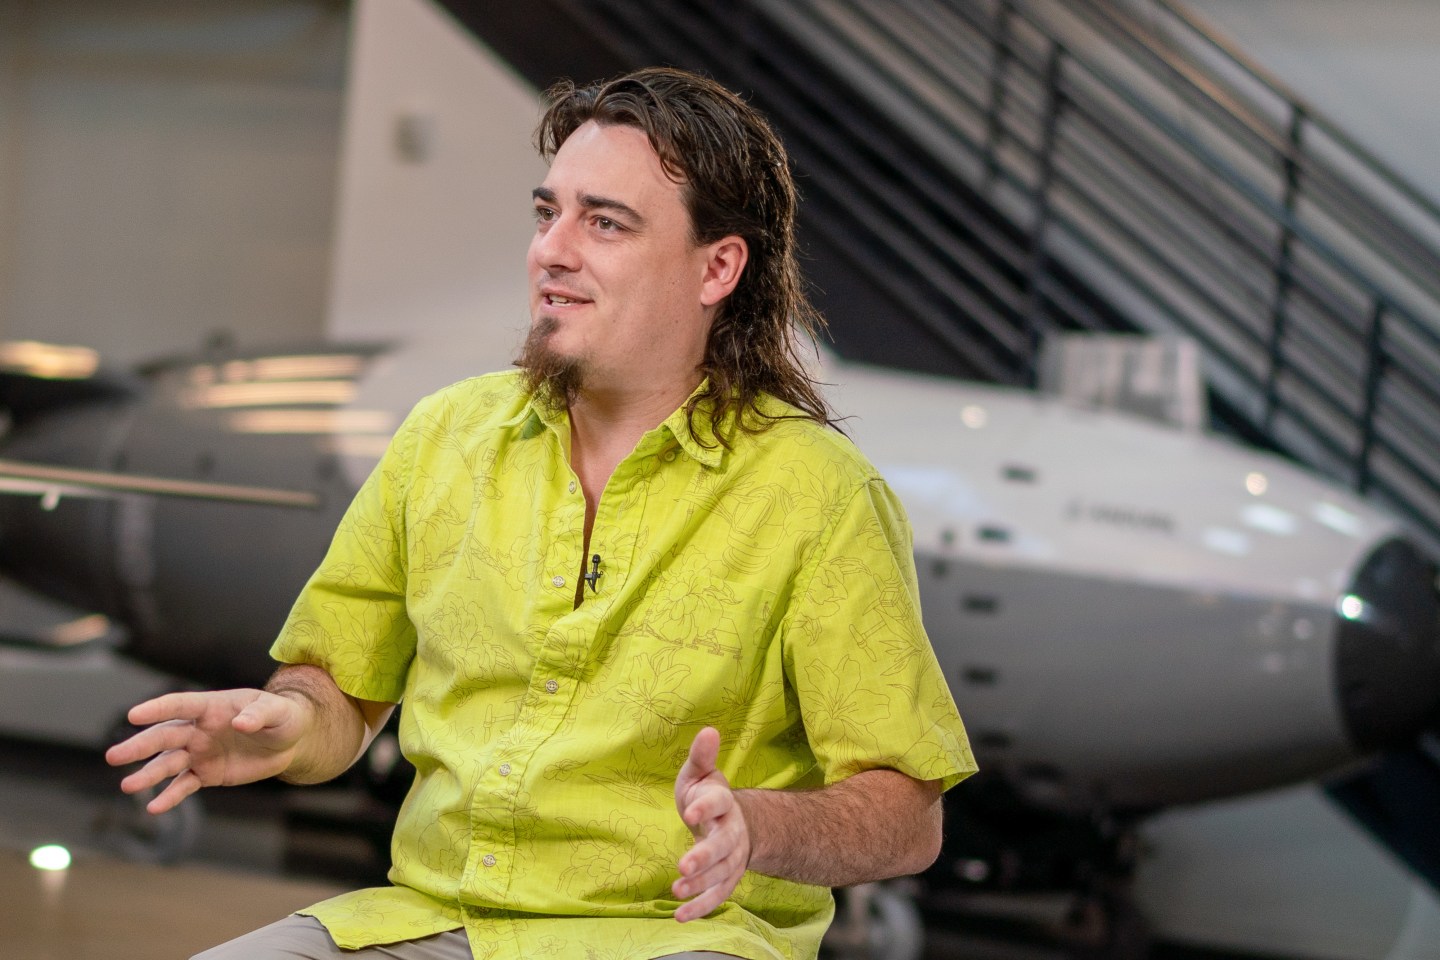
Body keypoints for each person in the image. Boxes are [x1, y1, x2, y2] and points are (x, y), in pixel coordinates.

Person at [106, 66, 975, 960]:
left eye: (605, 222)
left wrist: (758, 826)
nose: (553, 250)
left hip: (672, 941)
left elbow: (908, 816)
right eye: (546, 213)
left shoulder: (820, 495)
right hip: (429, 924)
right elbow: (341, 693)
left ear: (718, 266)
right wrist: (287, 725)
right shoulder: (447, 436)